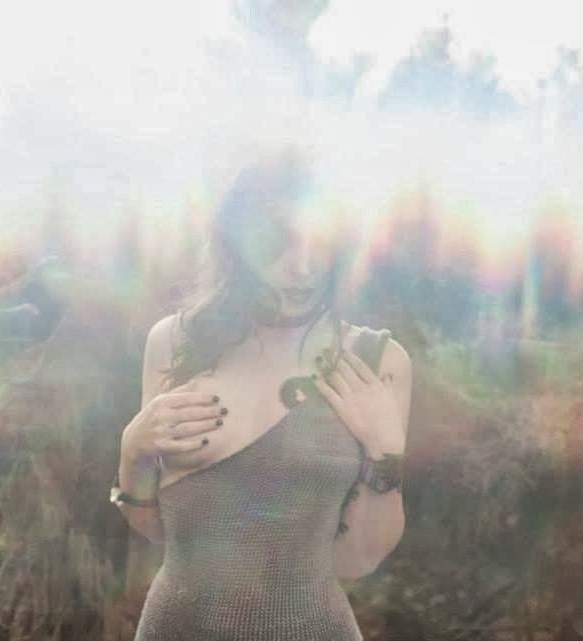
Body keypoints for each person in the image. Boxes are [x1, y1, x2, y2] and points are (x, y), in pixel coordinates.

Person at [111, 149, 412, 640]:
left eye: (319, 243)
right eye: (278, 243)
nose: (303, 267)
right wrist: (132, 451)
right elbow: (158, 530)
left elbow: (357, 561)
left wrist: (385, 452)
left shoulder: (375, 362)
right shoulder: (174, 344)